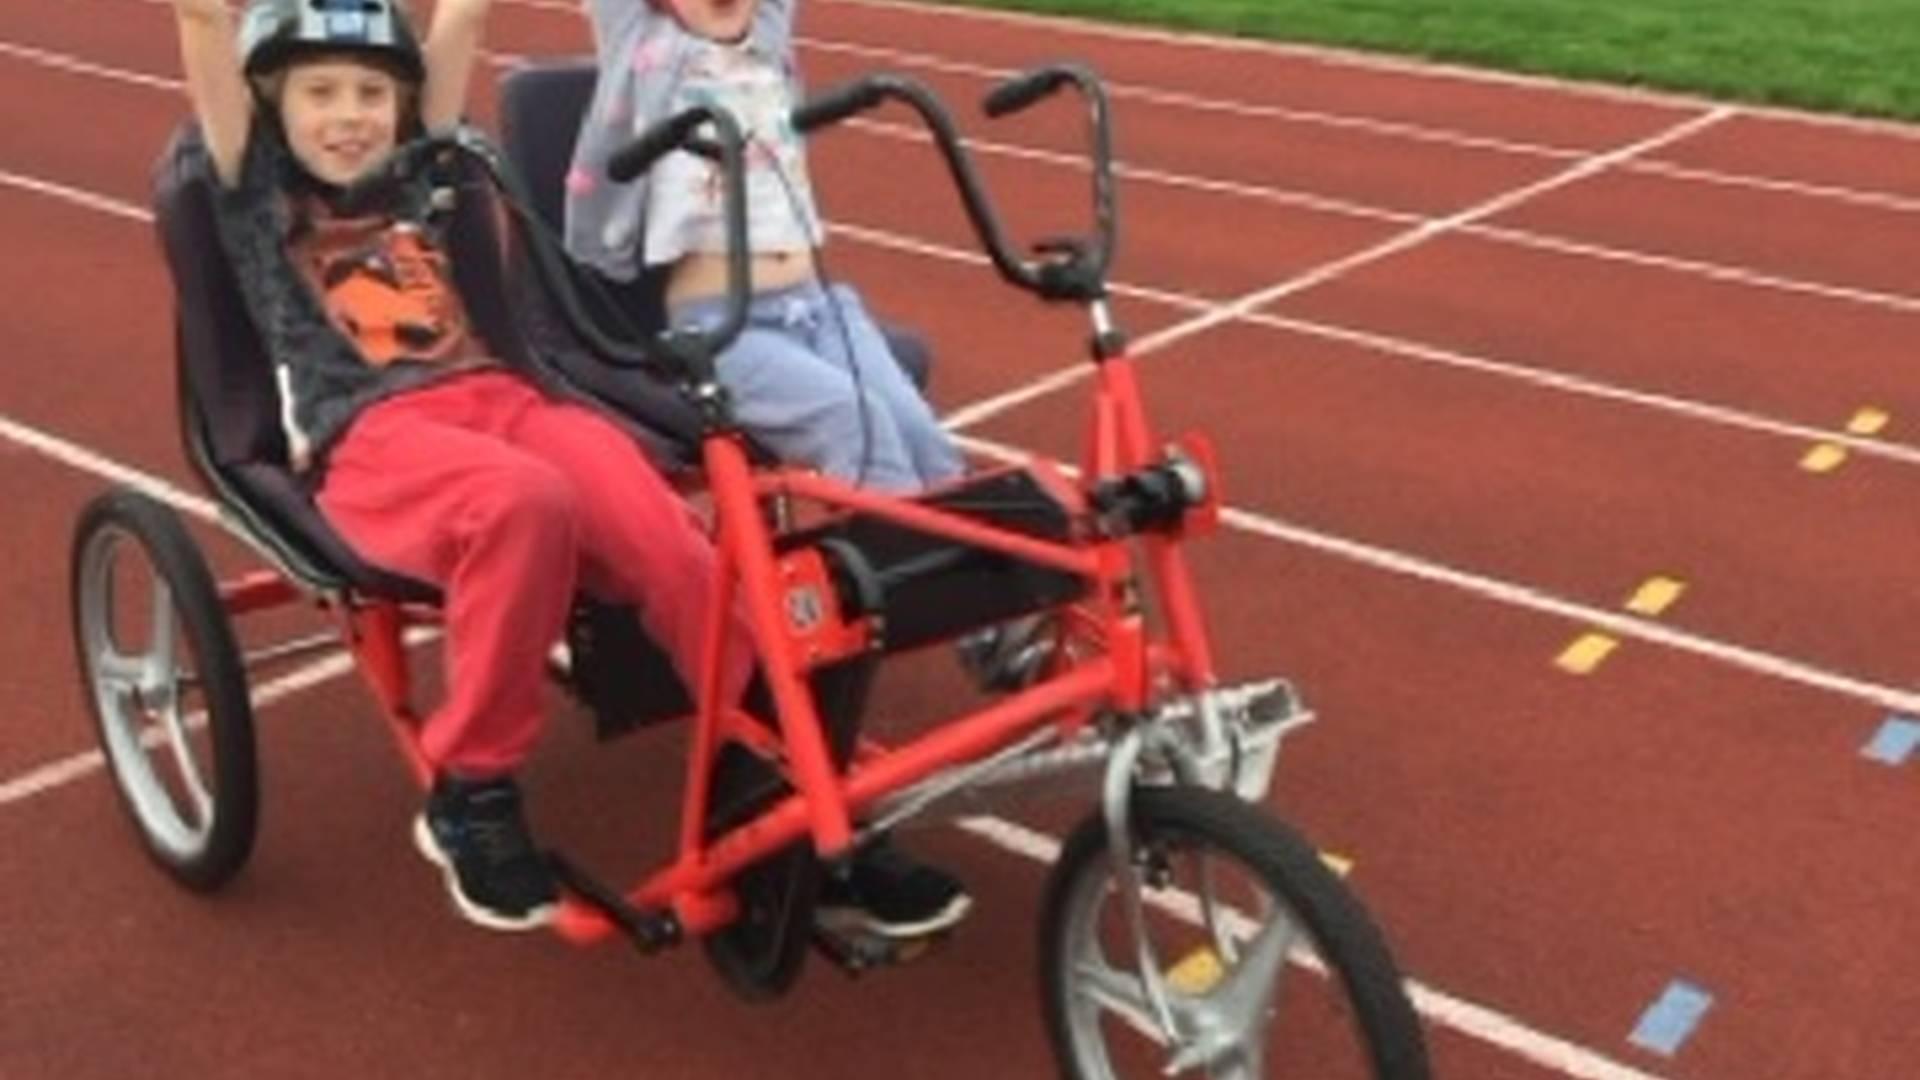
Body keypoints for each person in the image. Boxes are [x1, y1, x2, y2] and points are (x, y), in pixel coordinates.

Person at [167, 0, 969, 940]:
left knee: (662, 531)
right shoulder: (252, 184)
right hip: (375, 436)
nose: (350, 115)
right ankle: (472, 791)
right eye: (321, 94)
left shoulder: (417, 169)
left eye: (372, 95)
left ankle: (781, 774)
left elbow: (458, 25)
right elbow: (203, 27)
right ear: (271, 102)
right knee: (527, 504)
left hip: (503, 401)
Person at [564, 0, 966, 495]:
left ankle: (975, 569)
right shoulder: (646, 48)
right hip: (725, 330)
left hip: (821, 310)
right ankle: (909, 565)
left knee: (923, 439)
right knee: (858, 427)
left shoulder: (769, 39)